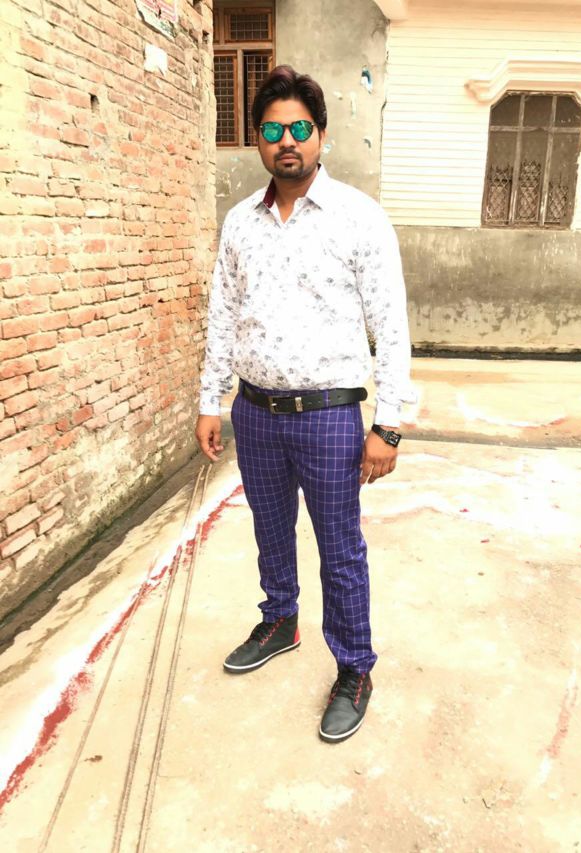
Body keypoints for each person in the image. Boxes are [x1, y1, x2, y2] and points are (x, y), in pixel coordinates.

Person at [195, 65, 413, 743]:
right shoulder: (240, 222)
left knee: (339, 549)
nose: (285, 141)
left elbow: (391, 324)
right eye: (271, 131)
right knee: (269, 529)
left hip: (328, 416)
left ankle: (354, 668)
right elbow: (223, 315)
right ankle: (280, 620)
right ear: (257, 140)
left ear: (320, 135)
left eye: (298, 128)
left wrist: (388, 425)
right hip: (255, 413)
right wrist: (211, 400)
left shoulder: (358, 217)